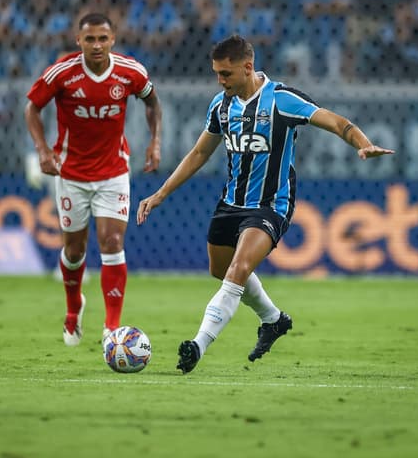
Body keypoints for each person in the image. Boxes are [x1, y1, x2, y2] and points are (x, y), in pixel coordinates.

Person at [137, 34, 394, 373]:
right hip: (231, 203)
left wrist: (363, 143)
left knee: (238, 270)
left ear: (248, 67)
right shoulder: (221, 105)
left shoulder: (281, 100)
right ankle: (273, 319)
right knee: (220, 269)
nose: (220, 80)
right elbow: (200, 152)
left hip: (271, 204)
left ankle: (197, 345)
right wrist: (161, 193)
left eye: (226, 74)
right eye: (216, 73)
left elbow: (335, 121)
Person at [24, 13, 162, 346]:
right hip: (70, 173)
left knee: (112, 243)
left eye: (103, 38)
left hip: (114, 171)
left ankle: (111, 326)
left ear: (113, 39)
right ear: (78, 40)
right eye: (90, 39)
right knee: (73, 250)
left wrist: (155, 141)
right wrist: (43, 150)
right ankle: (74, 309)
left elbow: (152, 102)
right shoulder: (62, 73)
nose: (97, 45)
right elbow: (32, 108)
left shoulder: (130, 71)